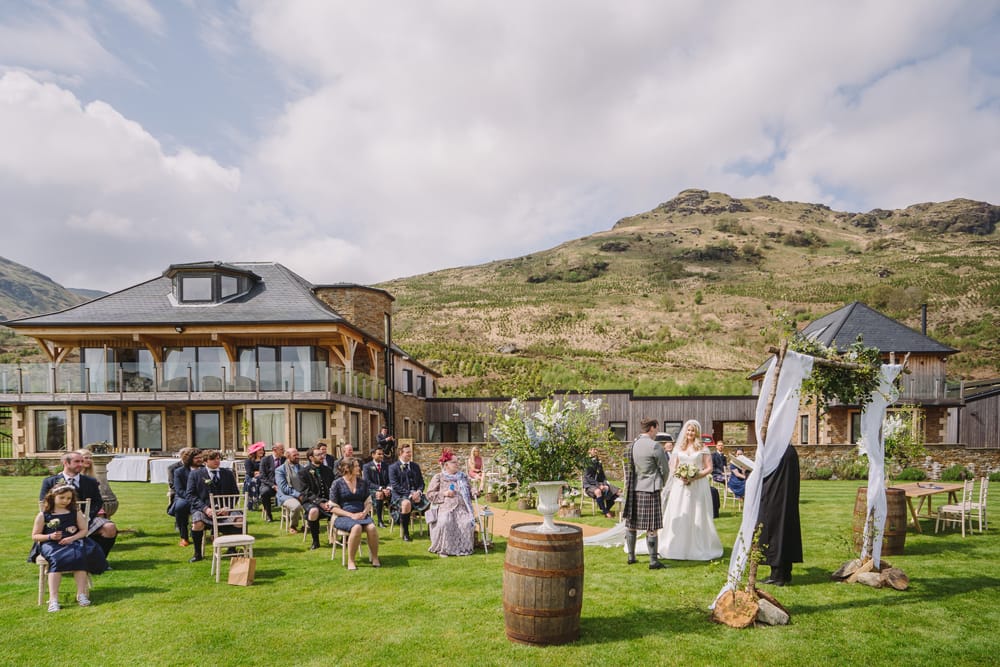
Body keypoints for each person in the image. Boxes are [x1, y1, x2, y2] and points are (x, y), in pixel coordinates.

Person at [31, 484, 108, 612]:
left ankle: (81, 594)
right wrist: (50, 536)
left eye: (68, 498)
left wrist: (71, 538)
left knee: (80, 556)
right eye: (62, 497)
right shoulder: (43, 515)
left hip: (73, 540)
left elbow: (84, 530)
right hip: (51, 544)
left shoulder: (75, 512)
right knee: (56, 559)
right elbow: (35, 536)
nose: (65, 501)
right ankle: (53, 599)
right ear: (53, 496)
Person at [658, 419, 724, 561]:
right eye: (688, 430)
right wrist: (681, 476)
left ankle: (697, 546)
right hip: (680, 485)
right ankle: (677, 545)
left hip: (698, 485)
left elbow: (709, 468)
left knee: (697, 513)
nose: (690, 433)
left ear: (697, 432)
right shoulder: (679, 448)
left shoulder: (703, 448)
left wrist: (695, 476)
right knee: (680, 511)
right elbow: (673, 467)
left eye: (693, 430)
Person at [40, 451, 118, 557]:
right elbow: (44, 502)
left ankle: (98, 559)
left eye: (82, 461)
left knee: (110, 528)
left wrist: (87, 516)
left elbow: (97, 502)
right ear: (65, 463)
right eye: (77, 461)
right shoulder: (50, 481)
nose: (81, 464)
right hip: (60, 520)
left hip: (87, 519)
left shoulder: (90, 481)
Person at [623, 417, 670, 569]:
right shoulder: (655, 446)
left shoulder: (631, 446)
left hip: (633, 489)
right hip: (650, 489)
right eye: (657, 428)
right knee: (651, 526)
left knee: (631, 524)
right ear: (652, 428)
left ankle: (631, 556)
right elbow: (665, 469)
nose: (657, 432)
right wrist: (662, 482)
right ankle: (653, 561)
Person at [185, 450, 240, 563]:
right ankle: (197, 553)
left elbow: (235, 493)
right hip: (203, 510)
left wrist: (228, 507)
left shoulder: (228, 473)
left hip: (225, 509)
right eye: (213, 459)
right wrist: (205, 509)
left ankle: (232, 548)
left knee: (239, 520)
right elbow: (190, 495)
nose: (217, 461)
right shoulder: (195, 474)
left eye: (218, 458)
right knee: (197, 523)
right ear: (205, 461)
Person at [759, 445, 802, 586]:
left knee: (774, 533)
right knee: (786, 531)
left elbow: (768, 473)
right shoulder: (790, 450)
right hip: (786, 499)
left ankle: (777, 575)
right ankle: (785, 572)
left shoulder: (777, 451)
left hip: (775, 498)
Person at [330, 457, 381, 570]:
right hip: (343, 516)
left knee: (372, 528)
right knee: (356, 527)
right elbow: (333, 507)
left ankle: (375, 557)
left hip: (361, 514)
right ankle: (351, 560)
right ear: (347, 468)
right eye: (356, 466)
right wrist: (351, 515)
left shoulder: (362, 483)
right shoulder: (337, 484)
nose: (359, 468)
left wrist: (364, 512)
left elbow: (368, 502)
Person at [426, 450, 477, 557]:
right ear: (446, 465)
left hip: (462, 508)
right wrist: (444, 493)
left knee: (466, 522)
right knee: (445, 522)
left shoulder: (463, 477)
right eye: (454, 462)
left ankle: (463, 549)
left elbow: (470, 490)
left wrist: (475, 491)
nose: (457, 464)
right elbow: (430, 494)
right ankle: (444, 549)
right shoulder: (439, 477)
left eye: (457, 462)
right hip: (446, 507)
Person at [299, 446, 337, 550]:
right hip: (311, 501)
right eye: (319, 455)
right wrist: (319, 503)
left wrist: (332, 501)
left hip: (328, 501)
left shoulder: (328, 470)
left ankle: (342, 538)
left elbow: (334, 486)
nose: (322, 456)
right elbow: (306, 492)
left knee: (342, 509)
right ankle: (315, 541)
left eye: (322, 454)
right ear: (311, 457)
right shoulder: (303, 472)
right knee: (313, 511)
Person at [389, 443, 428, 542]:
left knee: (432, 501)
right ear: (400, 453)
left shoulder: (415, 466)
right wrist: (410, 495)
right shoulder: (393, 467)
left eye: (410, 452)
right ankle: (405, 533)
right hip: (400, 496)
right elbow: (395, 486)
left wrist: (419, 492)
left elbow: (421, 483)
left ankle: (431, 531)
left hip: (416, 495)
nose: (410, 454)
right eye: (407, 452)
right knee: (406, 503)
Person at [169, 447, 202, 547]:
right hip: (184, 497)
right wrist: (192, 499)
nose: (199, 460)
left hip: (202, 497)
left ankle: (213, 534)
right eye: (196, 458)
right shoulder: (179, 472)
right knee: (180, 507)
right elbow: (179, 490)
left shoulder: (205, 470)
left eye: (200, 457)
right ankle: (184, 537)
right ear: (189, 459)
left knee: (213, 504)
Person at [584, 447, 620, 519]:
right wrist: (599, 485)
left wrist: (606, 483)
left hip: (599, 483)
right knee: (598, 491)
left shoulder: (598, 462)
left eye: (596, 449)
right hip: (589, 485)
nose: (595, 451)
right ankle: (606, 512)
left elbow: (602, 475)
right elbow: (588, 478)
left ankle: (607, 509)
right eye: (593, 449)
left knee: (618, 491)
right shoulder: (587, 462)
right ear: (589, 451)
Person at [275, 448, 305, 533]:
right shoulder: (280, 470)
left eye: (298, 454)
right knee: (296, 506)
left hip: (301, 493)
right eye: (294, 455)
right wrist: (298, 495)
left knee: (313, 503)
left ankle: (308, 525)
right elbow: (284, 488)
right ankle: (293, 526)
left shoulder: (302, 468)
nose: (297, 457)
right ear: (288, 456)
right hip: (286, 496)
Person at [362, 446, 391, 527]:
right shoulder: (367, 466)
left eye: (382, 454)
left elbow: (391, 480)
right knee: (379, 494)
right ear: (373, 455)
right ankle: (380, 521)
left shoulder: (386, 466)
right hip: (372, 490)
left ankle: (398, 518)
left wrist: (388, 488)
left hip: (386, 490)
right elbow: (367, 482)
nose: (381, 456)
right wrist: (381, 488)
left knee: (397, 493)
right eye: (379, 454)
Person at [258, 443, 285, 523]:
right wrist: (273, 485)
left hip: (282, 485)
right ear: (274, 450)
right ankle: (269, 515)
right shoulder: (265, 460)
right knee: (265, 492)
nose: (283, 451)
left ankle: (289, 514)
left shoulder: (285, 460)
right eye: (281, 449)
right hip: (269, 485)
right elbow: (262, 476)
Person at [243, 442, 266, 511]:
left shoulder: (265, 460)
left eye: (262, 450)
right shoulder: (248, 461)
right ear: (255, 452)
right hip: (250, 479)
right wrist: (260, 473)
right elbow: (250, 473)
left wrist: (258, 473)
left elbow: (267, 470)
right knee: (254, 481)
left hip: (263, 478)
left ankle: (258, 500)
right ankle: (253, 502)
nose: (262, 451)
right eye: (260, 450)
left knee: (258, 479)